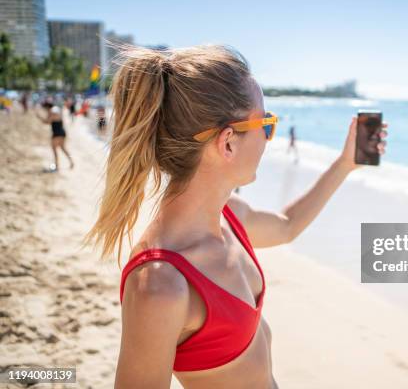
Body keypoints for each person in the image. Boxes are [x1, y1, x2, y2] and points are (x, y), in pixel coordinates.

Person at [82, 44, 387, 389]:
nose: (268, 138)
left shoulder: (229, 216)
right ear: (228, 143)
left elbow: (287, 227)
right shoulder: (160, 284)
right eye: (266, 124)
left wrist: (345, 163)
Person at [35, 98, 75, 172]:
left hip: (57, 133)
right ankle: (71, 161)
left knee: (54, 149)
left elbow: (47, 122)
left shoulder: (52, 111)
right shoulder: (56, 110)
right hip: (62, 132)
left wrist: (39, 117)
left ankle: (57, 165)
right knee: (63, 148)